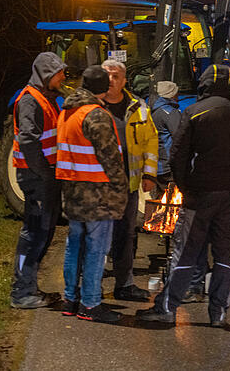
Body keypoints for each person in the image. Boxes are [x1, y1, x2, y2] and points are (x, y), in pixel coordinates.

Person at [136, 64, 230, 326]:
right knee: (225, 255)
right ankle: (218, 312)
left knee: (186, 253)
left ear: (204, 84)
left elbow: (178, 155)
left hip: (200, 195)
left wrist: (186, 187)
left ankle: (168, 308)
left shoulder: (195, 112)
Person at [57, 65, 128, 323]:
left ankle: (69, 299)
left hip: (73, 193)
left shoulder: (67, 112)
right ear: (102, 88)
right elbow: (111, 158)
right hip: (97, 196)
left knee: (74, 247)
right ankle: (90, 304)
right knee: (96, 250)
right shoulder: (96, 115)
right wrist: (121, 191)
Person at [10, 52, 66, 309]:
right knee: (33, 235)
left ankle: (29, 288)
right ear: (46, 74)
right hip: (37, 177)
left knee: (42, 234)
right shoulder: (31, 101)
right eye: (59, 73)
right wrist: (45, 172)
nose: (63, 77)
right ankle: (21, 293)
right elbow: (28, 141)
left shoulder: (46, 97)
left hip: (45, 176)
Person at [101, 59, 158, 302]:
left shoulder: (139, 107)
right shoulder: (93, 105)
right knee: (98, 237)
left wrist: (149, 174)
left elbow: (151, 142)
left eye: (116, 76)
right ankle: (91, 288)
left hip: (129, 184)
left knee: (125, 236)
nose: (112, 81)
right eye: (108, 76)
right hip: (100, 185)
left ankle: (124, 284)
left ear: (124, 81)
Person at [151, 81, 182, 192]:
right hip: (168, 166)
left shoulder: (155, 111)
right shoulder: (170, 113)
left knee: (160, 201)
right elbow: (180, 136)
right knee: (173, 199)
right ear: (172, 94)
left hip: (158, 165)